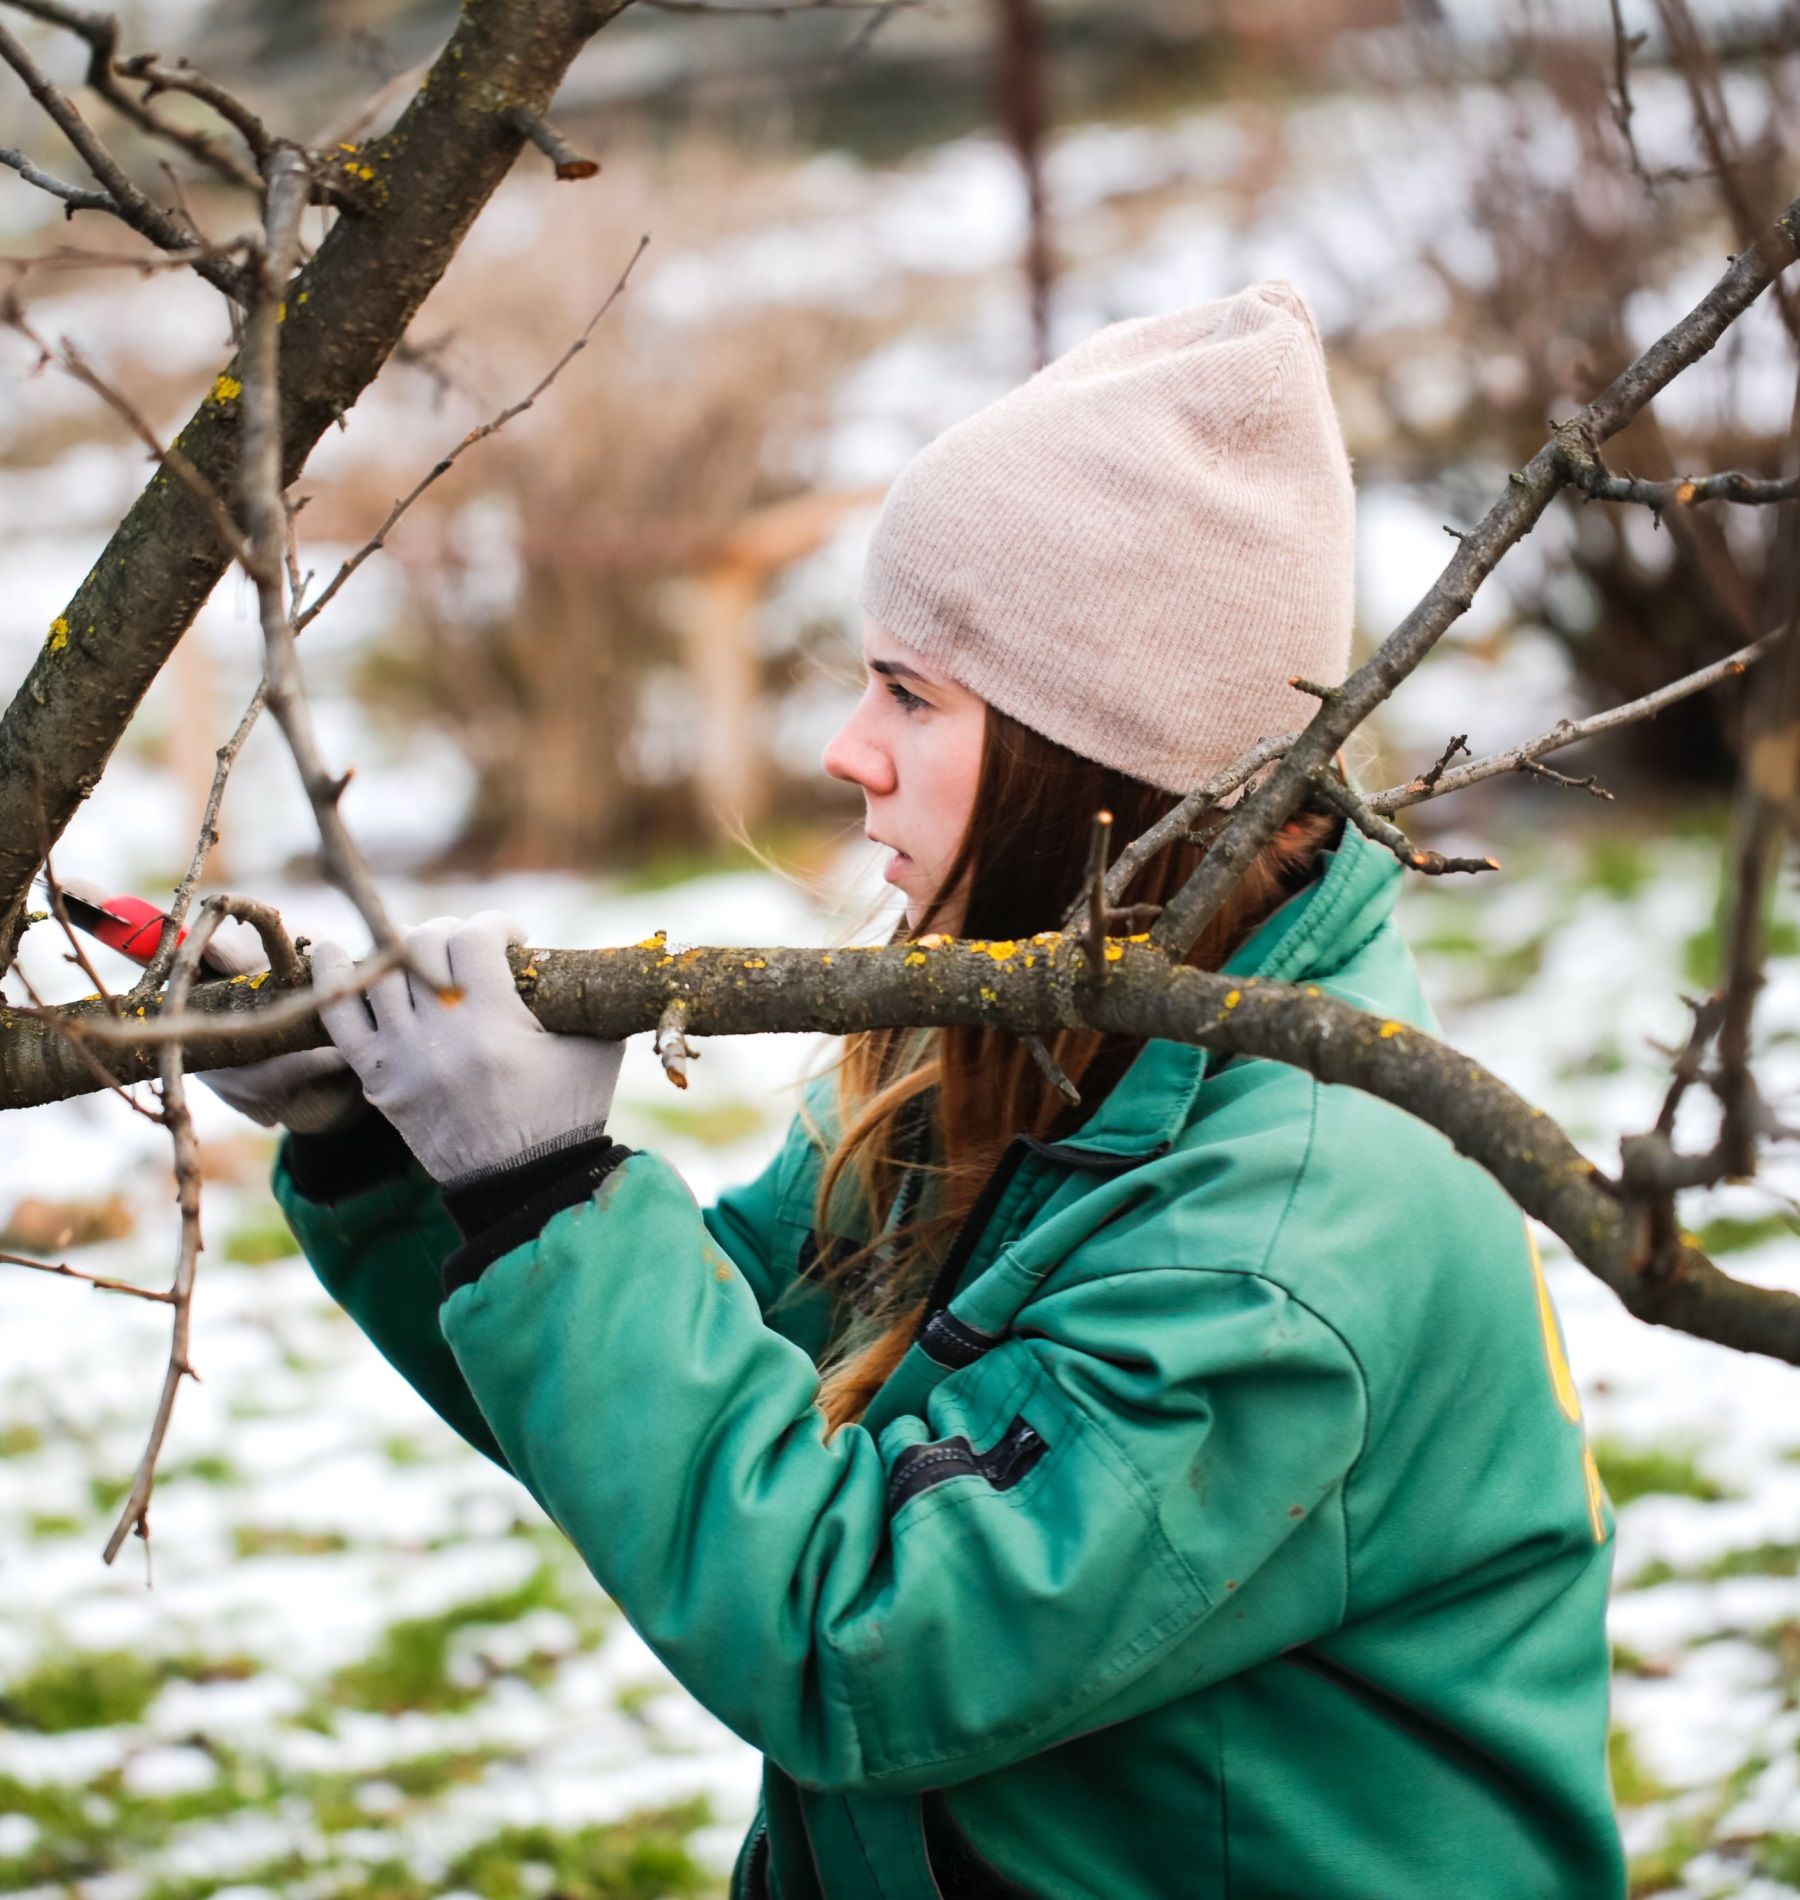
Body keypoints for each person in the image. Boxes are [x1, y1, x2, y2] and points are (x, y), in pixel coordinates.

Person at [212, 283, 1626, 1897]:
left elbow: (868, 1641)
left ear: (1093, 762)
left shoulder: (1284, 1244)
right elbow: (685, 1392)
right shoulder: (1004, 1048)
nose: (843, 749)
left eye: (910, 692)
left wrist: (543, 1199)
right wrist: (399, 1156)